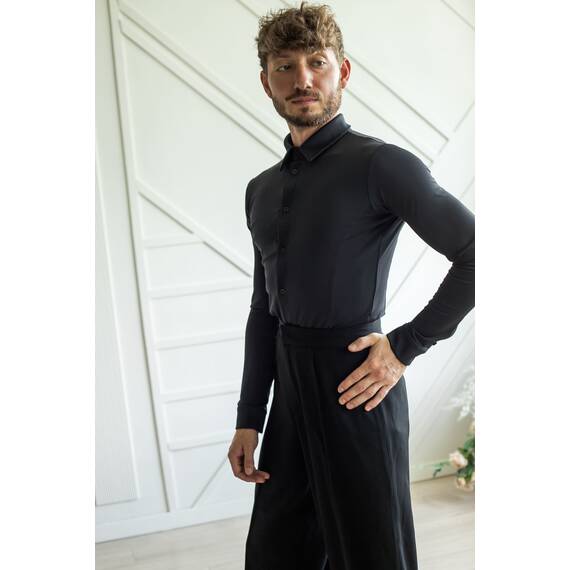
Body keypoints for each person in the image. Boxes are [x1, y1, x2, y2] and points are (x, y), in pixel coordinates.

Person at [227, 2, 475, 569]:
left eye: (316, 62)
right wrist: (249, 416)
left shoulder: (382, 165)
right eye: (285, 67)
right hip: (288, 395)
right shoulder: (260, 189)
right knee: (274, 555)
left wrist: (405, 347)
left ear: (341, 71)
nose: (302, 79)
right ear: (266, 82)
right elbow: (263, 311)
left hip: (358, 386)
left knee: (373, 556)